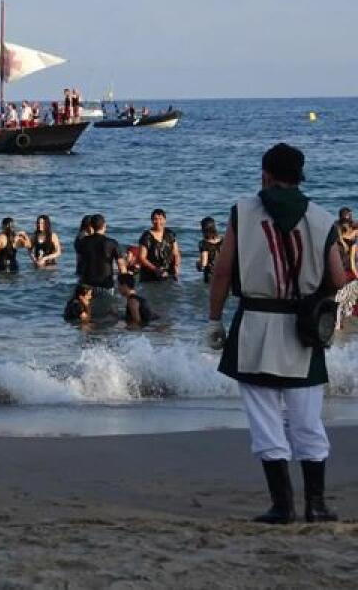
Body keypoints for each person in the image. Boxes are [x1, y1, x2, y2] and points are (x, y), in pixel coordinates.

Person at [206, 142, 348, 524]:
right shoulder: (321, 219)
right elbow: (338, 279)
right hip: (303, 331)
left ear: (265, 174)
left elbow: (221, 271)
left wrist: (214, 320)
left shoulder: (244, 212)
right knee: (307, 420)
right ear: (299, 178)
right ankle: (316, 505)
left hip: (255, 325)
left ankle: (282, 506)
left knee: (265, 418)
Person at [74, 214, 128, 316]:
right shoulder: (112, 243)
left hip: (87, 283)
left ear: (91, 227)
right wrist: (125, 285)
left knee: (87, 312)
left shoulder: (83, 242)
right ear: (104, 226)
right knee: (106, 313)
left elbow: (79, 262)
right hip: (106, 284)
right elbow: (122, 267)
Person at [138, 208, 181, 281]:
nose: (158, 222)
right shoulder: (146, 236)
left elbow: (176, 253)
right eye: (155, 219)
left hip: (168, 272)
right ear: (151, 221)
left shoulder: (170, 234)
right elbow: (142, 258)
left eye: (160, 219)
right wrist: (155, 269)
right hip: (150, 275)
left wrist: (176, 266)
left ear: (165, 220)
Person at [197, 217, 224, 284]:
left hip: (211, 275)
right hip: (224, 272)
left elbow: (204, 263)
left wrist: (198, 264)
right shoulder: (224, 240)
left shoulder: (204, 244)